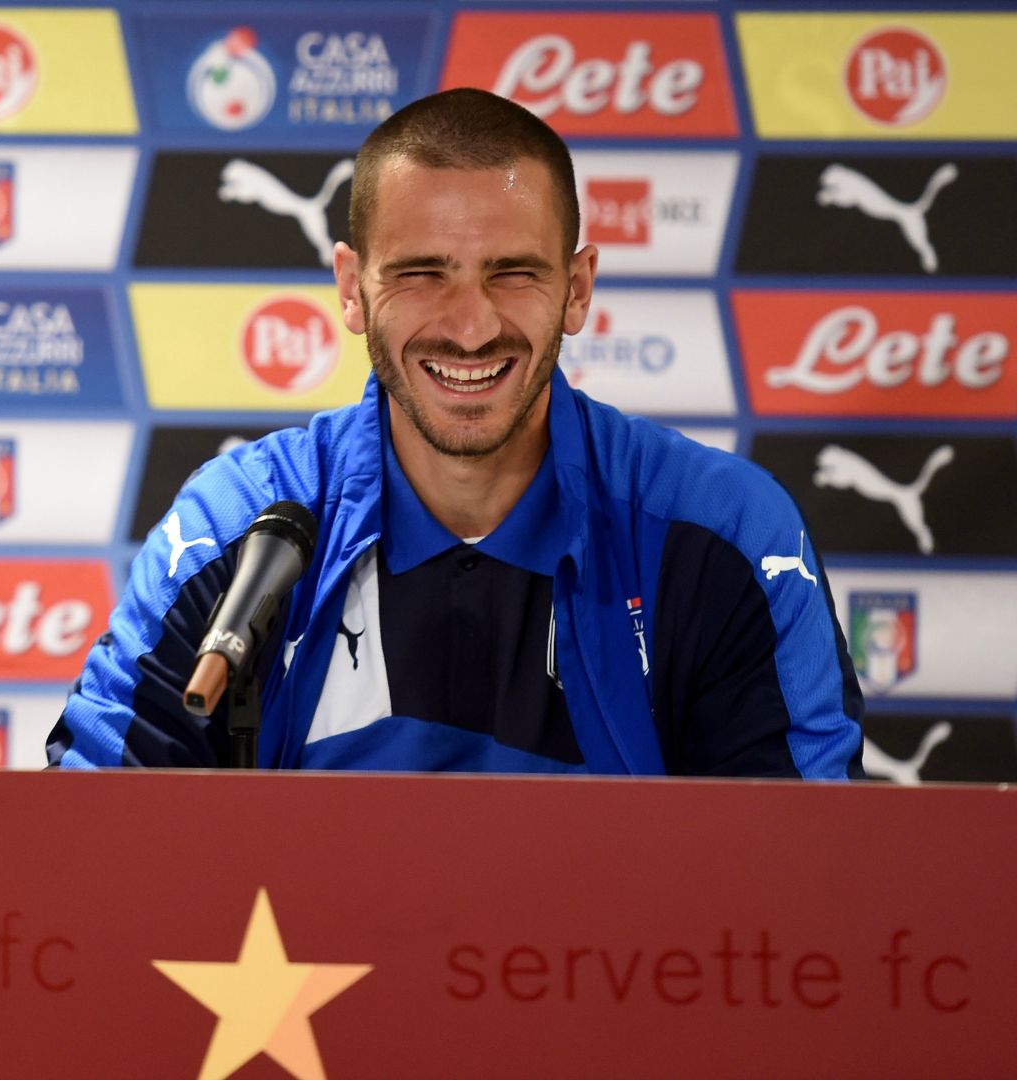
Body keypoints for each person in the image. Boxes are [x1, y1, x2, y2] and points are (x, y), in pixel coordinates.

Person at [48, 89, 864, 777]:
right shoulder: (240, 527)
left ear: (577, 289)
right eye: (420, 274)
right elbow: (96, 844)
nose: (471, 329)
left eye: (513, 272)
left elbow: (796, 890)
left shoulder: (721, 532)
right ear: (352, 289)